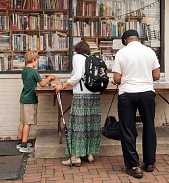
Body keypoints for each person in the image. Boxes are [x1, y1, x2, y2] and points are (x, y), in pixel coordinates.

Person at [112, 29, 160, 179]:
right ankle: (150, 162)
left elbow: (117, 78)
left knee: (127, 129)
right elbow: (157, 75)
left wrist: (125, 78)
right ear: (138, 39)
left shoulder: (121, 53)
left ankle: (134, 166)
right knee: (149, 126)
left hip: (127, 93)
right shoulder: (149, 52)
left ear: (125, 41)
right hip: (146, 92)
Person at [53, 41, 101, 166]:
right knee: (90, 124)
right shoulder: (93, 58)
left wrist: (63, 85)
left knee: (78, 126)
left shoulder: (77, 57)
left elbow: (78, 75)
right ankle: (89, 154)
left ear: (77, 49)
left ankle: (75, 157)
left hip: (81, 95)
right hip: (94, 95)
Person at [17, 51, 56, 153]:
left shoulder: (25, 70)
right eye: (37, 60)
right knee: (28, 123)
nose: (37, 62)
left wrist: (41, 76)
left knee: (22, 121)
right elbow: (42, 84)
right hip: (30, 100)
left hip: (23, 98)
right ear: (33, 60)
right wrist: (50, 78)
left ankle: (20, 141)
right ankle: (24, 145)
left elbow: (33, 78)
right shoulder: (34, 71)